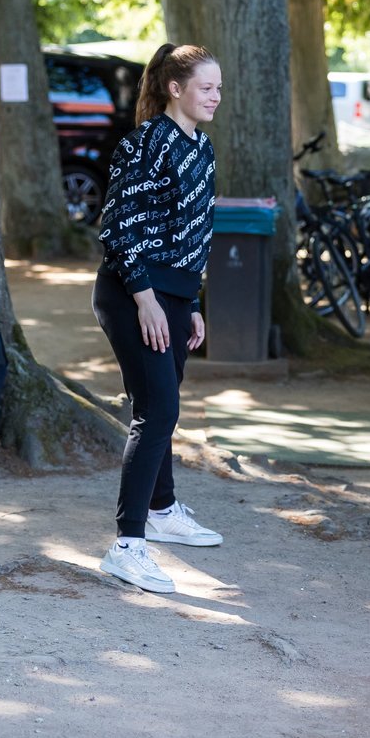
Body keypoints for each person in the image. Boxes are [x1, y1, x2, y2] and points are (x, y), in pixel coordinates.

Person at [93, 43, 224, 594]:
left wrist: (189, 303)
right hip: (133, 294)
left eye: (219, 88)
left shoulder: (204, 149)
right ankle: (127, 545)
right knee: (156, 410)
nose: (216, 97)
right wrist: (146, 297)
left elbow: (196, 233)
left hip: (172, 298)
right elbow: (117, 224)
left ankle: (164, 510)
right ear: (176, 89)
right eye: (207, 88)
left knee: (163, 410)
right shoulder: (146, 143)